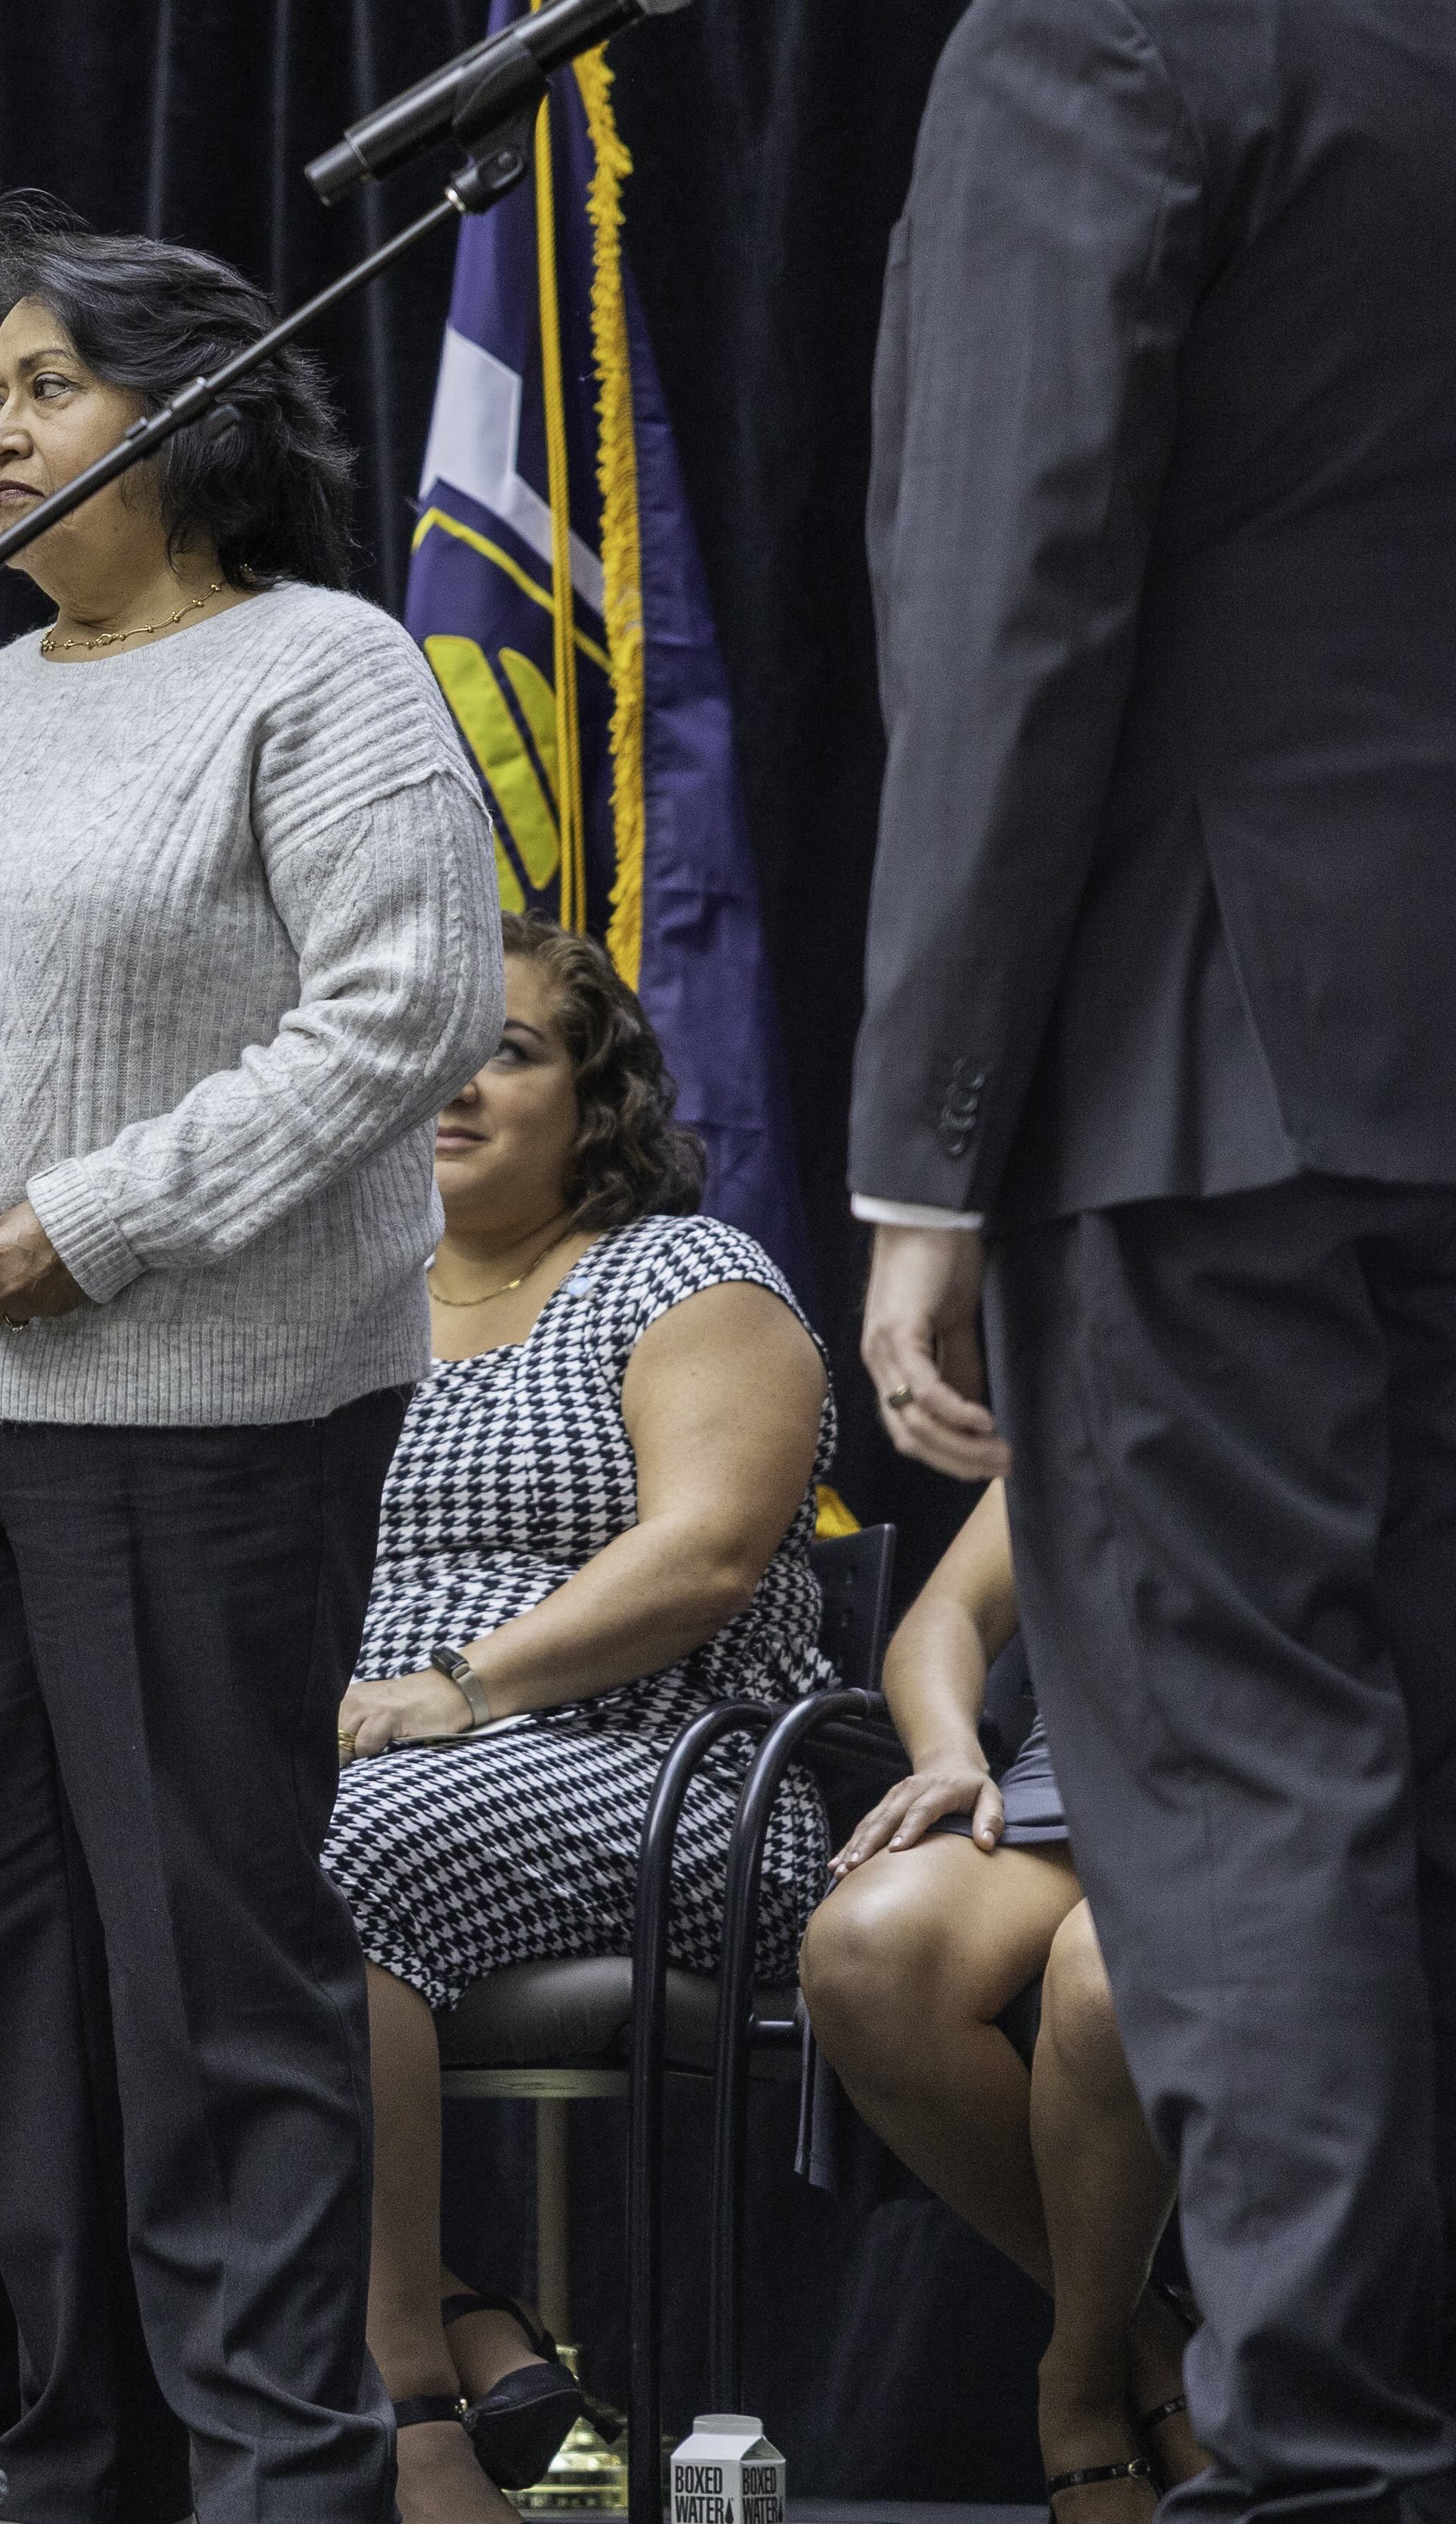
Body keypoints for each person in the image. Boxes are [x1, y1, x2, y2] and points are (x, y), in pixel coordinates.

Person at [844, 0, 1456, 2524]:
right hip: (1449, 1050)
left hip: (1179, 1069)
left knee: (1235, 1784)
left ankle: (1326, 2468)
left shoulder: (1087, 33)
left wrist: (928, 1146)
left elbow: (1011, 618)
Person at [0, 193, 503, 2524]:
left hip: (207, 1422)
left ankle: (284, 2482)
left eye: (49, 385)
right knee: (9, 1991)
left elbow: (410, 1007)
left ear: (190, 419)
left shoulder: (322, 671)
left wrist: (103, 1219)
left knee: (208, 1981)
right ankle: (77, 2467)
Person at [326, 918, 833, 2524]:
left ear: (592, 1096)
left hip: (667, 1770)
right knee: (96, 1854)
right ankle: (472, 2322)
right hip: (358, 1764)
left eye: (509, 1050)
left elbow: (710, 1552)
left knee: (318, 1852)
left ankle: (411, 2404)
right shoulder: (335, 1301)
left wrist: (461, 1689)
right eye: (426, 1051)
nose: (456, 1086)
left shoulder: (682, 1275)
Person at [802, 1493, 1205, 2520]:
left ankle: (1077, 2385)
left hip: (1286, 1782)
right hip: (1069, 1774)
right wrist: (949, 1753)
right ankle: (1146, 2342)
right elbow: (949, 1613)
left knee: (1105, 1974)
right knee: (866, 1951)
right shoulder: (1082, 1389)